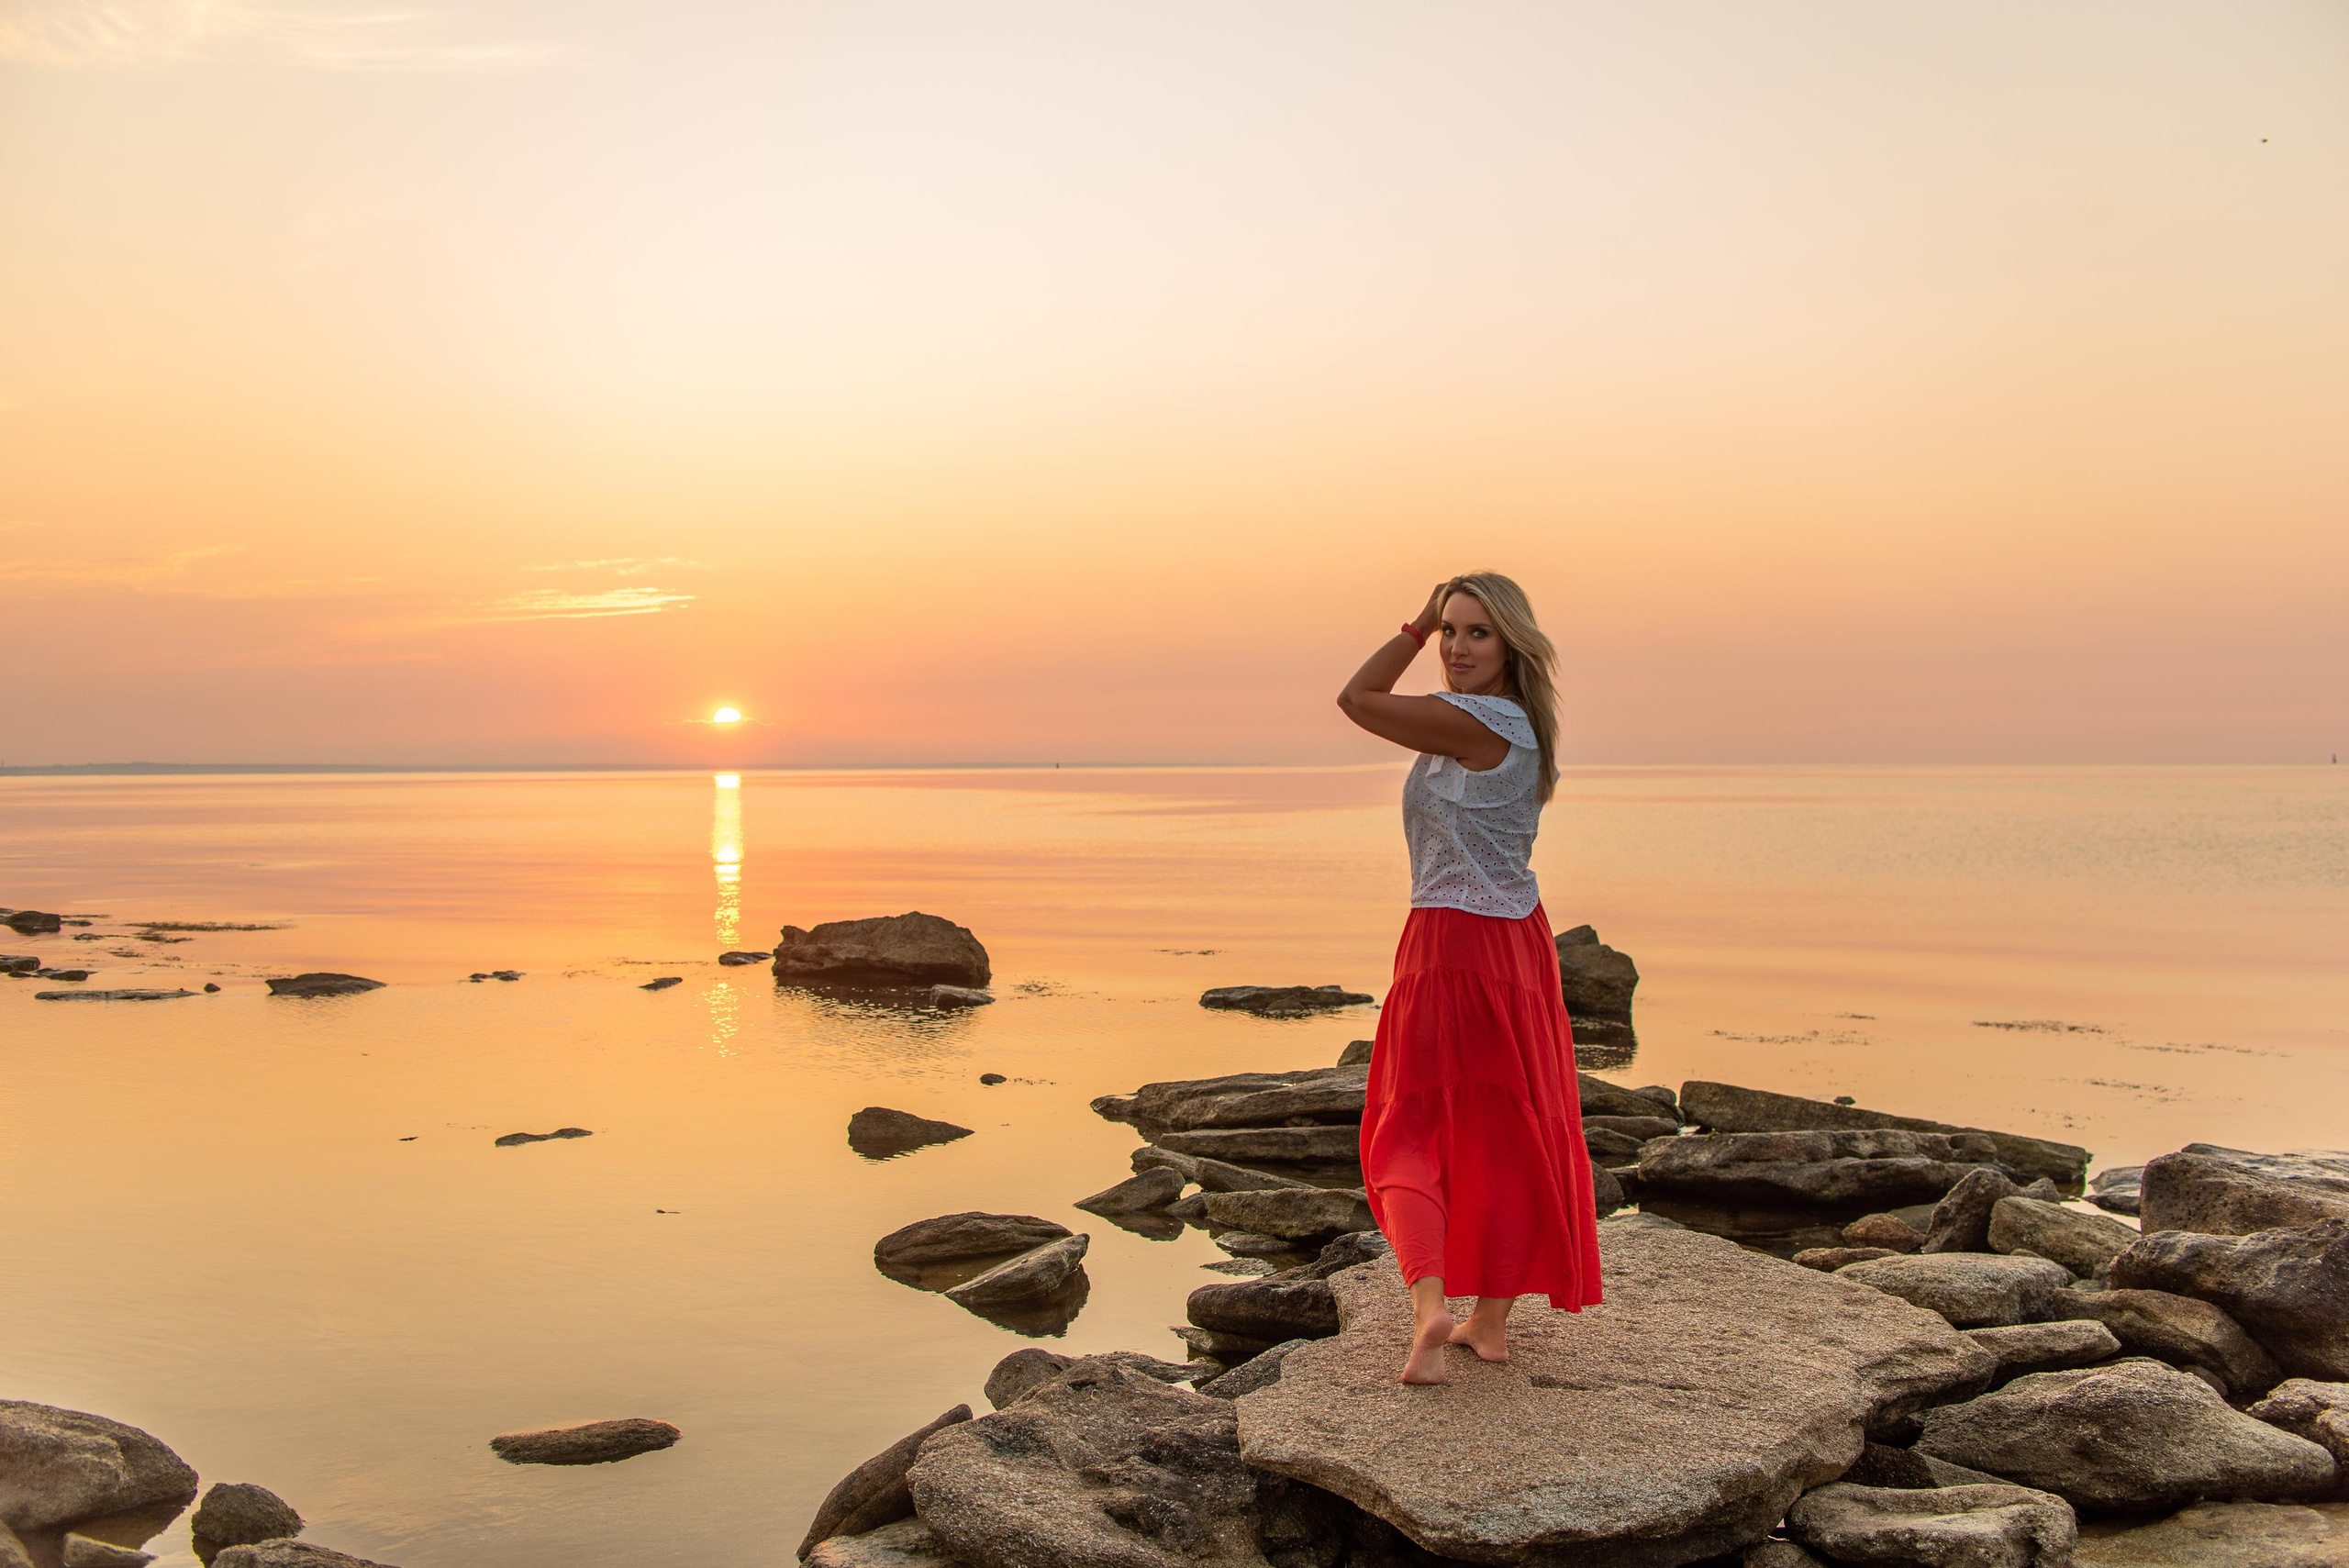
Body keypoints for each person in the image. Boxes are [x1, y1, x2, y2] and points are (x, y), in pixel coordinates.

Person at [1335, 572, 1604, 1385]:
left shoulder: (1476, 719)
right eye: (1449, 630)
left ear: (1510, 643)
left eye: (1475, 633)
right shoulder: (1521, 726)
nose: (1455, 647)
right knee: (1512, 1128)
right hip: (1517, 942)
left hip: (1451, 945)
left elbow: (1356, 697)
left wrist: (1411, 626)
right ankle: (1489, 1323)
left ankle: (1429, 1307)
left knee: (1408, 1129)